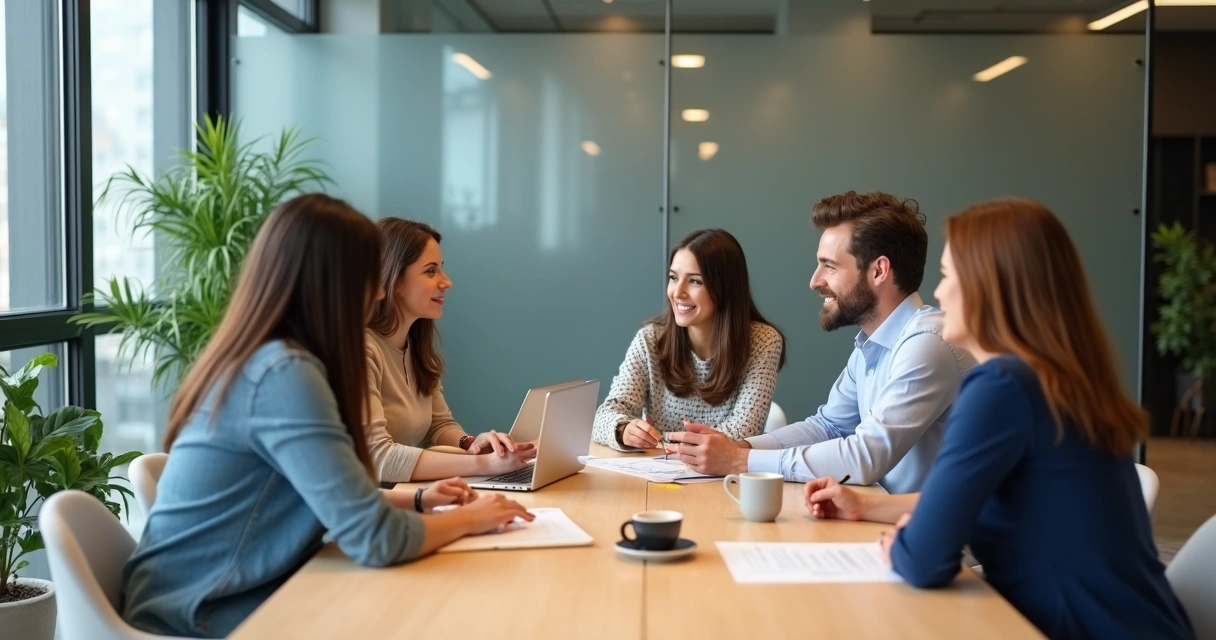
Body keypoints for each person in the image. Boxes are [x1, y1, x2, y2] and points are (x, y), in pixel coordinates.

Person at [121, 195, 533, 638]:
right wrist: (474, 517)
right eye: (367, 276)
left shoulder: (279, 360)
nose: (377, 291)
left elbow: (333, 497)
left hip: (233, 590)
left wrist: (418, 499)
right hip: (200, 612)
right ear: (329, 281)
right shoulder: (284, 375)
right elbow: (376, 539)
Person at [805, 198, 1194, 640]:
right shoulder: (1053, 379)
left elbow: (924, 561)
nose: (937, 292)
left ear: (993, 287)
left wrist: (909, 546)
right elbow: (979, 500)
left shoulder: (1002, 388)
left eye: (949, 276)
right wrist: (868, 505)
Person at [669, 192, 970, 493]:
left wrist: (739, 460)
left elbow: (866, 457)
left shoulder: (927, 344)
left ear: (878, 271)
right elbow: (828, 427)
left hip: (943, 536)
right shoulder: (871, 344)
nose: (815, 281)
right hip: (886, 520)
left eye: (830, 266)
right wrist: (737, 446)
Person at [365, 218, 535, 483]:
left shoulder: (415, 345)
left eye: (441, 269)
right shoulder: (361, 351)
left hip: (409, 494)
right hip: (376, 509)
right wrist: (485, 464)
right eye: (430, 271)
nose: (446, 282)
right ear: (395, 280)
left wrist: (471, 443)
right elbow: (378, 458)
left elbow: (439, 425)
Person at [591, 228, 785, 451]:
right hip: (657, 475)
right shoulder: (650, 339)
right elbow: (607, 414)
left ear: (725, 288)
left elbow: (742, 433)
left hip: (724, 479)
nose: (677, 292)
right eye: (674, 278)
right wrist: (623, 430)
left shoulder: (763, 342)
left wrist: (663, 441)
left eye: (695, 281)